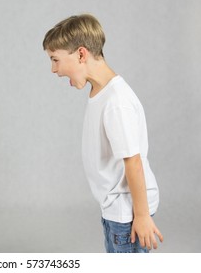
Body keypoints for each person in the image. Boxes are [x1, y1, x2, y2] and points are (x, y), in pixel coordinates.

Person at [42, 14, 163, 253]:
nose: (53, 69)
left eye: (55, 60)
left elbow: (134, 162)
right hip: (115, 209)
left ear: (81, 54)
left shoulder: (116, 101)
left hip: (127, 214)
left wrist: (141, 216)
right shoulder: (101, 93)